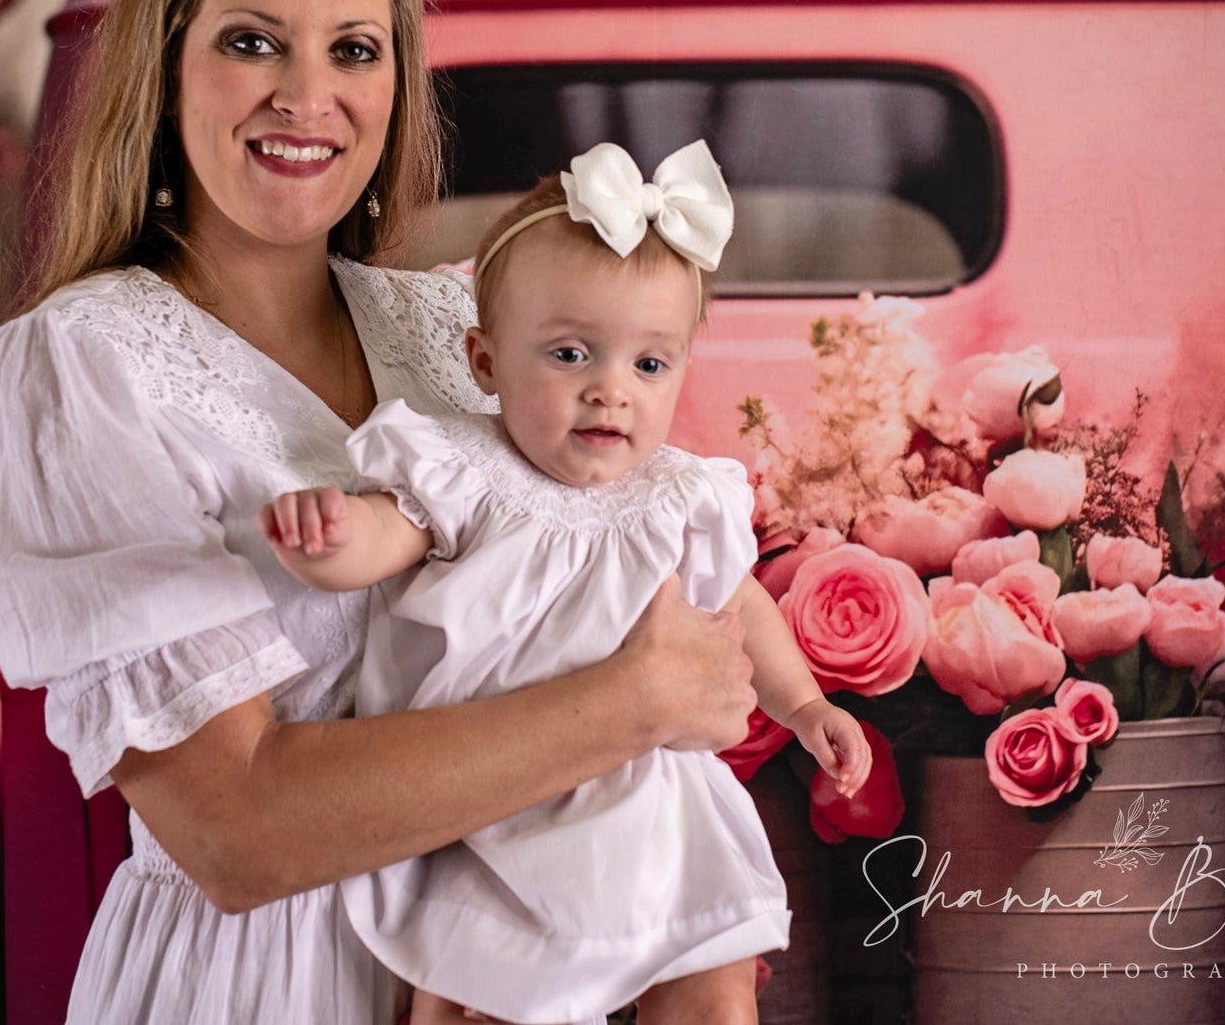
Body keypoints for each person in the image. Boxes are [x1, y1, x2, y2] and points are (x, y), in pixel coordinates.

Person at [0, 0, 757, 1024]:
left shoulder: (450, 330)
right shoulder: (80, 370)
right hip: (260, 986)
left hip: (497, 963)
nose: (304, 96)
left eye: (353, 50)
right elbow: (234, 829)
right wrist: (631, 705)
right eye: (250, 42)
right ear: (163, 70)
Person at [259, 143, 872, 1025]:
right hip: (494, 796)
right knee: (482, 995)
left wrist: (807, 706)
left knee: (714, 984)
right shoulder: (465, 471)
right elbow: (386, 536)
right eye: (571, 354)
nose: (610, 391)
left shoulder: (678, 496)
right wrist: (327, 538)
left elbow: (741, 602)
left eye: (648, 365)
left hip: (649, 808)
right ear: (484, 361)